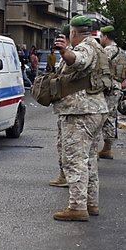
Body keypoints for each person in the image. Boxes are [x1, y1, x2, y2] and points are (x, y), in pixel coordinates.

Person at [51, 16, 109, 221]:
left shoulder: (85, 47)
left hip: (81, 112)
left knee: (75, 159)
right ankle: (91, 203)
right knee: (90, 159)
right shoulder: (98, 46)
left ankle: (77, 206)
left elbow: (78, 61)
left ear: (73, 33)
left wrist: (65, 52)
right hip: (95, 110)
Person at [98, 26, 126, 159]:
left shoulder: (107, 51)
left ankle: (95, 149)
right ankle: (107, 148)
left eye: (101, 36)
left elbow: (99, 66)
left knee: (99, 117)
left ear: (105, 37)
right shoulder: (122, 52)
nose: (100, 39)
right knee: (110, 117)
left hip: (107, 87)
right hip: (116, 87)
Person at [50, 25, 71, 187]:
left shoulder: (74, 54)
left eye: (62, 38)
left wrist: (65, 51)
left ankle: (68, 177)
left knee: (69, 146)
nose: (59, 42)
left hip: (72, 108)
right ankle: (63, 174)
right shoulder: (65, 56)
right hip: (65, 106)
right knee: (61, 143)